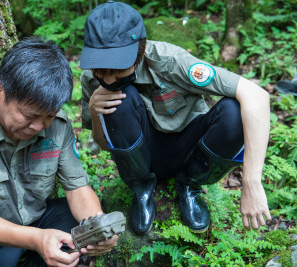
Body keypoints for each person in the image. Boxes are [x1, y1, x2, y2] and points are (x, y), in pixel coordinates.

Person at [80, 1, 271, 235]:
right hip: (142, 156)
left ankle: (189, 186)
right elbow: (104, 144)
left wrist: (251, 182)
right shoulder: (91, 79)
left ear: (138, 50)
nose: (107, 79)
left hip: (188, 150)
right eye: (101, 70)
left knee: (233, 111)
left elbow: (257, 97)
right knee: (117, 98)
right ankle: (142, 189)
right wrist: (94, 111)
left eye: (117, 69)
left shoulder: (170, 61)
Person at [0, 38, 118, 267]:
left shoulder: (58, 126)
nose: (39, 127)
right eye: (29, 116)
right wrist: (36, 240)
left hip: (38, 221)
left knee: (82, 236)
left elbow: (77, 188)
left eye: (48, 116)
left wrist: (97, 227)